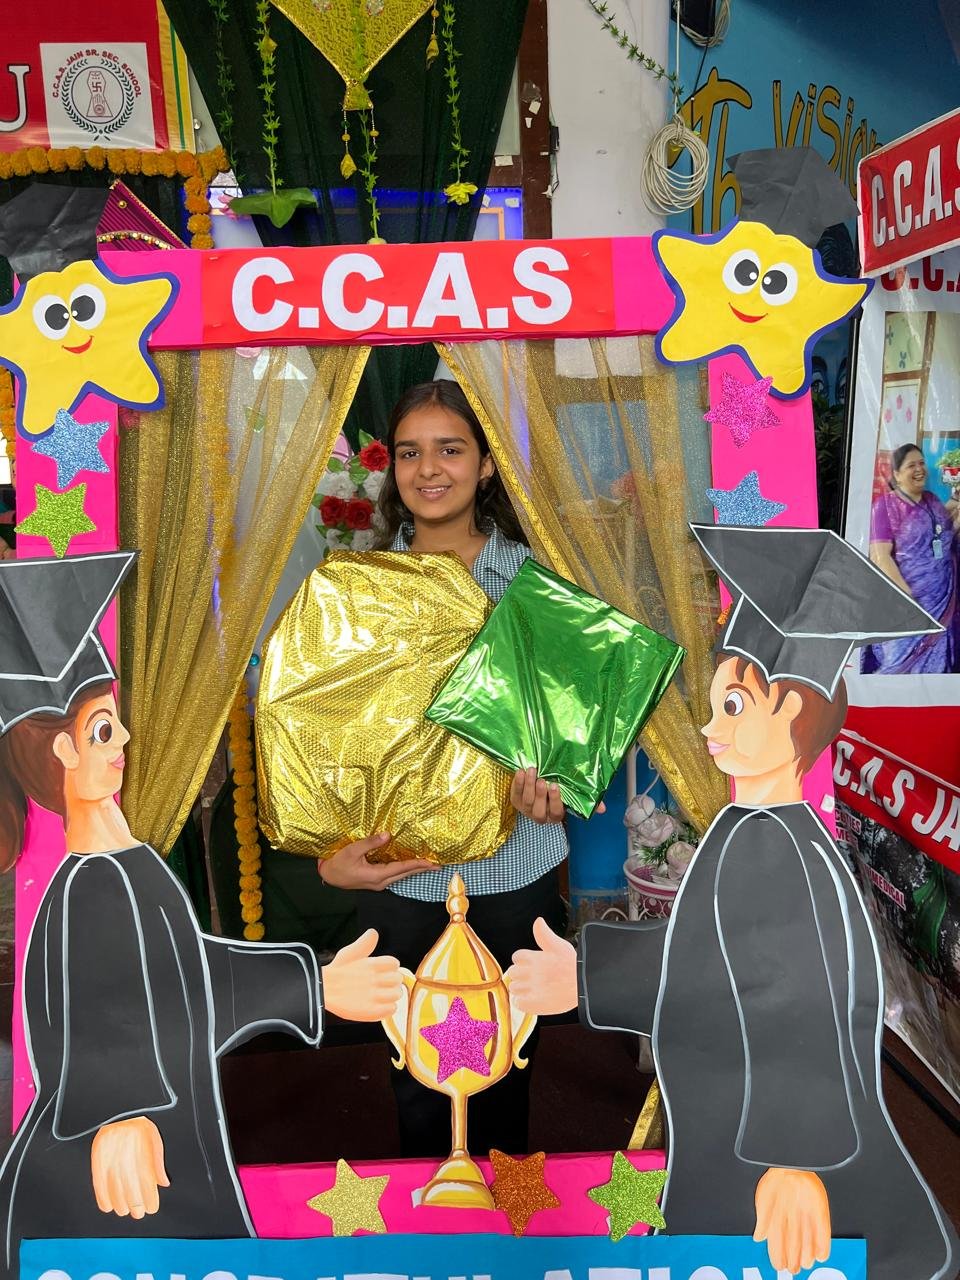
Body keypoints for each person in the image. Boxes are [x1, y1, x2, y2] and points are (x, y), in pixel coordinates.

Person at [506, 526, 956, 1280]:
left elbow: (803, 999)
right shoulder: (761, 829)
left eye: (735, 705)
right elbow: (711, 958)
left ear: (792, 712)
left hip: (776, 1156)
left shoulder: (773, 842)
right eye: (717, 703)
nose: (711, 728)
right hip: (743, 1130)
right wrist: (586, 972)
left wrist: (796, 1160)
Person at [0, 552, 403, 1276]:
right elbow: (91, 1003)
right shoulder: (90, 880)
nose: (125, 741)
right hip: (120, 1154)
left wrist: (312, 984)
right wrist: (114, 1113)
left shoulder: (123, 859)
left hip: (160, 1130)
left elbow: (189, 972)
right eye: (104, 730)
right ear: (63, 748)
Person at [315, 380, 571, 1158]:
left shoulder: (534, 581)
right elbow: (335, 735)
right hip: (405, 878)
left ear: (487, 465)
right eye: (410, 453)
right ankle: (432, 1217)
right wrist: (331, 853)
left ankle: (503, 1217)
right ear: (392, 469)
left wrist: (560, 787)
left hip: (517, 868)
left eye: (451, 449)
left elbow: (573, 724)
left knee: (508, 1064)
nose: (429, 469)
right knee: (415, 1072)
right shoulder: (362, 586)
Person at [868, 443, 957, 674]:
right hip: (909, 604)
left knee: (938, 665)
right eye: (911, 465)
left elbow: (943, 532)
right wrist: (908, 599)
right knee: (899, 665)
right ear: (896, 474)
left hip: (941, 600)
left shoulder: (931, 500)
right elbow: (880, 556)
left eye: (921, 463)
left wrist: (957, 499)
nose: (919, 469)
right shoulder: (884, 506)